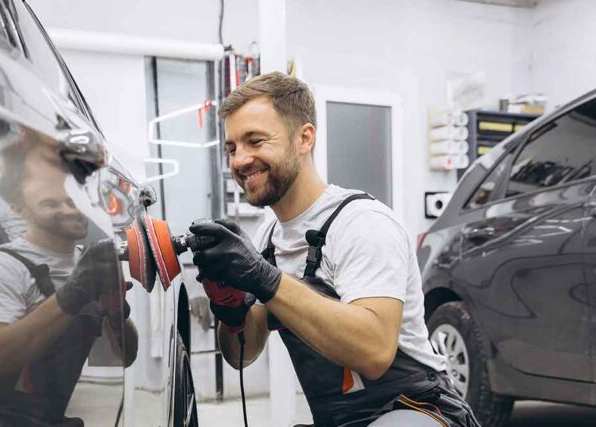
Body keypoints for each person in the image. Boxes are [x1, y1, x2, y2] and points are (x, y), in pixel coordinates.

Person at [190, 72, 479, 427]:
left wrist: (263, 278)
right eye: (232, 148)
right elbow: (241, 355)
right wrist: (230, 306)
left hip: (416, 409)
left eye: (255, 141)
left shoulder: (361, 223)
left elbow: (374, 353)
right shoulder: (268, 238)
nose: (239, 160)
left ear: (304, 138)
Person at [0, 129, 138, 427]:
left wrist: (118, 309)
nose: (68, 210)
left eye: (73, 201)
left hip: (43, 415)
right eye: (51, 204)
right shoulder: (1, 267)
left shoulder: (88, 265)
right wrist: (73, 293)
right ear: (20, 208)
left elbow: (126, 355)